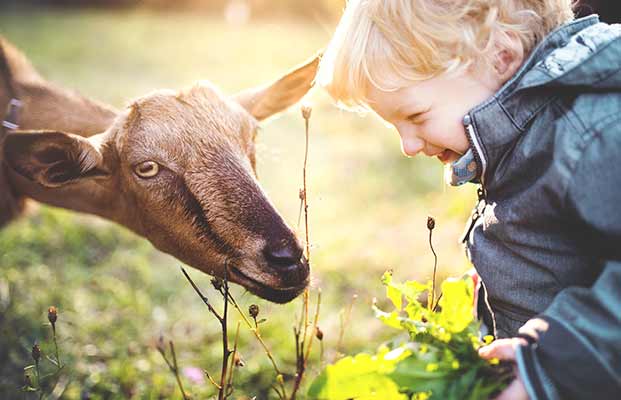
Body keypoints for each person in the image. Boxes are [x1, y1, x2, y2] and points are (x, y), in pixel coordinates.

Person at [316, 1, 621, 399]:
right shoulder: (525, 133)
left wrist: (550, 365)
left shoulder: (591, 133)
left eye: (417, 116)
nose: (408, 145)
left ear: (501, 57)